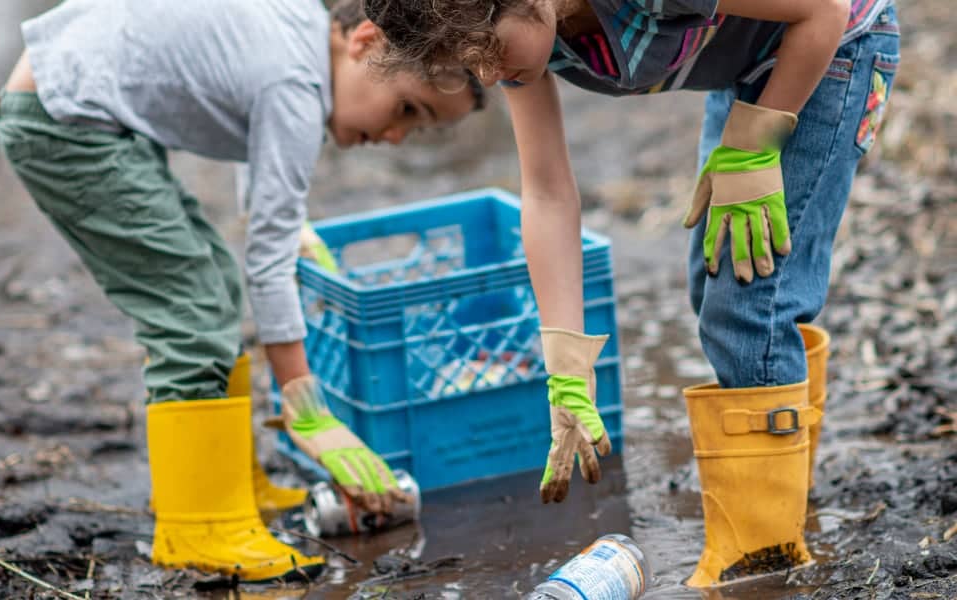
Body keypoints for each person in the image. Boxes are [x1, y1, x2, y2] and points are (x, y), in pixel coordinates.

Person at [364, 0, 899, 587]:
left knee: (751, 303)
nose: (488, 75)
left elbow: (820, 12)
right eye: (469, 66)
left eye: (488, 51)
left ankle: (761, 561)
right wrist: (567, 367)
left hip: (834, 47)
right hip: (751, 71)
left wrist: (755, 143)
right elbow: (545, 192)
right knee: (718, 282)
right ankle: (787, 497)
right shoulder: (523, 40)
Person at [0, 0, 482, 582]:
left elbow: (254, 127)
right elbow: (265, 264)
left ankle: (229, 484)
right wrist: (306, 409)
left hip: (77, 96)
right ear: (364, 40)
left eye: (418, 130)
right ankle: (198, 525)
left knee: (210, 279)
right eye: (406, 108)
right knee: (191, 304)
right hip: (66, 118)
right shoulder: (298, 87)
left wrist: (280, 221)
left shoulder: (297, 38)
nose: (396, 136)